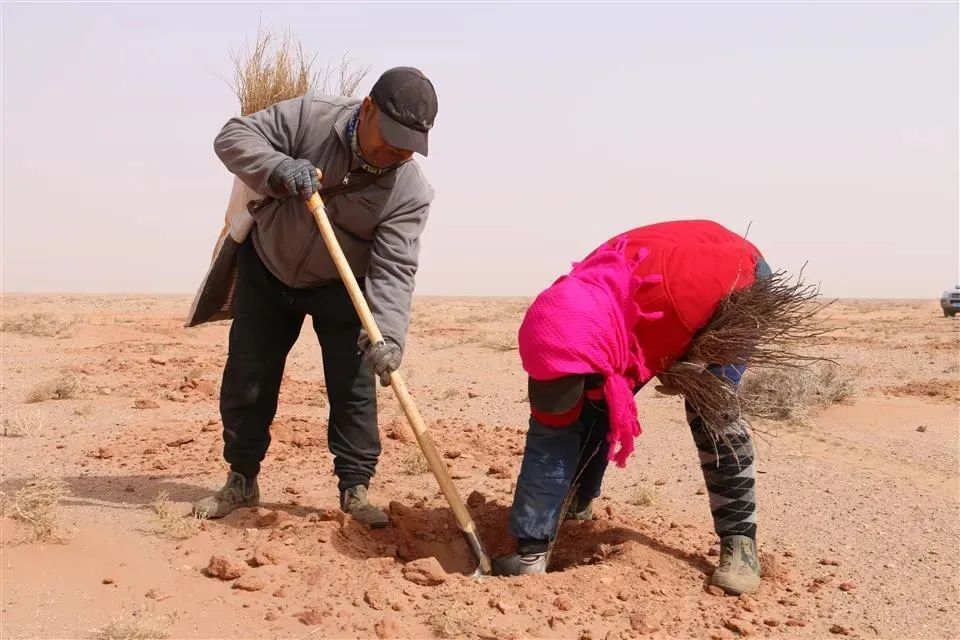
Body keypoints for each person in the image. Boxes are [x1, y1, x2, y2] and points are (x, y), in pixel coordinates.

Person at [191, 67, 438, 528]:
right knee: (249, 377)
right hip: (269, 265)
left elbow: (395, 267)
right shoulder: (311, 116)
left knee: (354, 389)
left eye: (408, 146)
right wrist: (279, 168)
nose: (395, 153)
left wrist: (387, 336)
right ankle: (241, 478)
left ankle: (355, 488)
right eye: (389, 138)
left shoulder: (410, 190)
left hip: (343, 287)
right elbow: (232, 136)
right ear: (367, 109)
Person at [492, 219, 774, 595]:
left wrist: (684, 365)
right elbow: (549, 434)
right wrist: (528, 549)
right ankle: (561, 517)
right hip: (628, 311)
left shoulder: (675, 306)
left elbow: (686, 346)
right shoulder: (565, 312)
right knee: (587, 409)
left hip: (733, 287)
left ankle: (740, 543)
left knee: (711, 415)